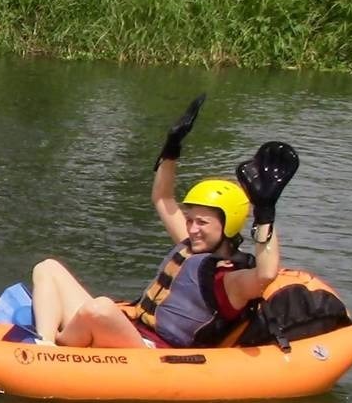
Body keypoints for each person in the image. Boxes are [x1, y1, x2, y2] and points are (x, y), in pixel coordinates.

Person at [30, 94, 299, 348]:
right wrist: (171, 148)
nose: (191, 229)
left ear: (228, 225)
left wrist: (265, 210)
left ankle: (55, 351)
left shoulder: (228, 280)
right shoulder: (194, 245)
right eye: (190, 219)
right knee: (48, 267)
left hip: (153, 351)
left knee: (99, 308)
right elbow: (163, 198)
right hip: (131, 329)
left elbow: (265, 274)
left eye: (201, 223)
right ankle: (44, 343)